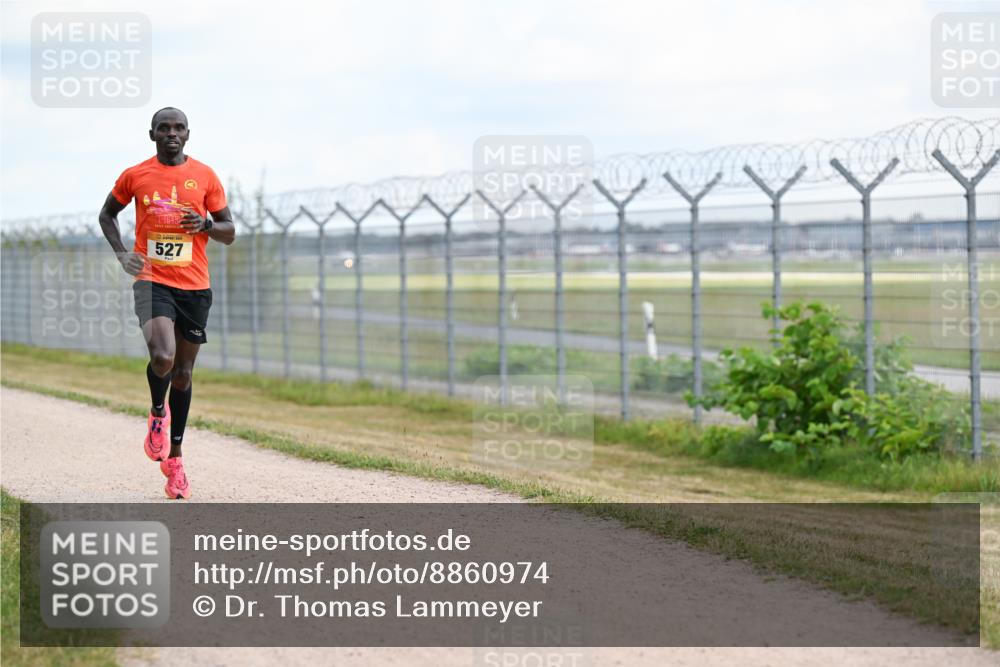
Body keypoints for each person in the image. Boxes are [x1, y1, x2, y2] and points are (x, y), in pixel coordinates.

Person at [98, 107, 236, 499]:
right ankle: (158, 412)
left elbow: (229, 231)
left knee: (183, 375)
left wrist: (206, 224)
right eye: (164, 128)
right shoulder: (136, 175)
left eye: (178, 128)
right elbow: (107, 215)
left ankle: (175, 460)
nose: (171, 133)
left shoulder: (205, 176)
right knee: (163, 357)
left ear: (188, 134)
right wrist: (122, 253)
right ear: (152, 134)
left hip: (194, 286)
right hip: (152, 279)